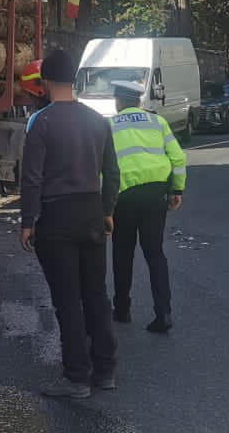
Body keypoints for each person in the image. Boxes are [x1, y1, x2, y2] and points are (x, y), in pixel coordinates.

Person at [20, 49, 122, 400]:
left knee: (67, 300)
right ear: (74, 79)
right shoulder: (98, 120)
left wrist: (28, 220)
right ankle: (105, 368)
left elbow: (31, 177)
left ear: (45, 82)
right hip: (92, 212)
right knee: (96, 294)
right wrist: (107, 209)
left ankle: (76, 376)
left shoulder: (41, 123)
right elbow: (113, 172)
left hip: (56, 215)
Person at [108, 80, 186, 334]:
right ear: (139, 101)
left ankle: (122, 309)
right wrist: (176, 190)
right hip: (155, 195)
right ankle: (163, 313)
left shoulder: (108, 126)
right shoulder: (158, 122)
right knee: (155, 254)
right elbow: (178, 158)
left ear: (118, 102)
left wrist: (104, 205)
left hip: (124, 198)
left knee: (122, 253)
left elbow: (103, 169)